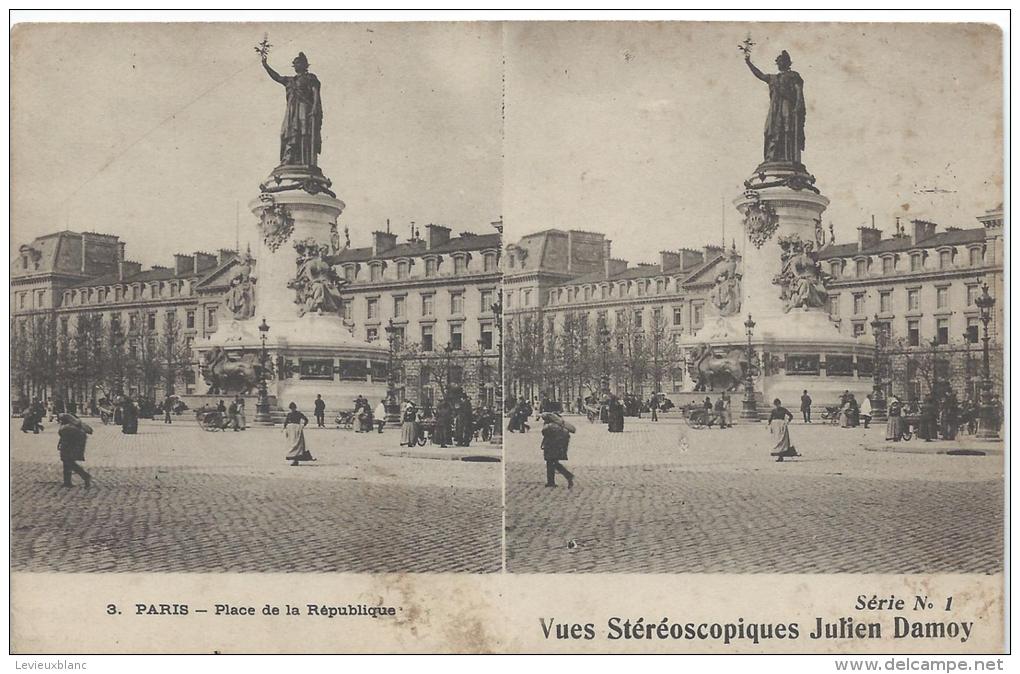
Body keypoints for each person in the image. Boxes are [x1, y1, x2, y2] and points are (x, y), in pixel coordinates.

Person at [57, 414, 93, 489]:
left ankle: (85, 476)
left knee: (69, 462)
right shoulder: (75, 425)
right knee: (67, 462)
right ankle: (67, 482)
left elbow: (64, 437)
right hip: (73, 446)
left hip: (70, 446)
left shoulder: (67, 428)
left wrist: (62, 445)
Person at [541, 412, 576, 489]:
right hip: (557, 446)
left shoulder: (549, 426)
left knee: (551, 463)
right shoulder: (559, 425)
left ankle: (567, 476)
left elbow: (544, 433)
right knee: (552, 463)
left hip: (551, 446)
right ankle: (551, 481)